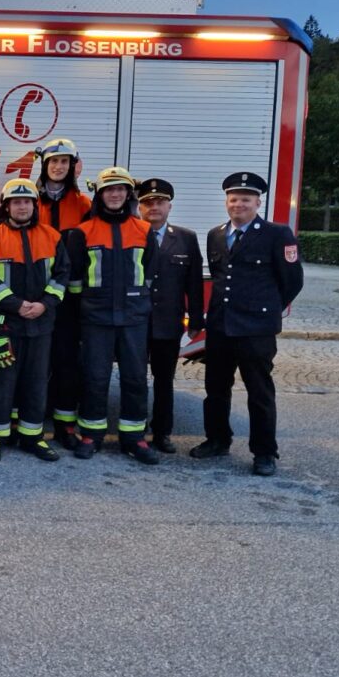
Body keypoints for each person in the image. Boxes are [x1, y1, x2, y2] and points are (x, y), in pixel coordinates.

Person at [190, 172, 304, 476]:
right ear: (227, 201)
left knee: (259, 392)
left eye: (245, 199)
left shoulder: (277, 235)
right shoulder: (216, 234)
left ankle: (265, 452)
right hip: (221, 327)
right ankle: (217, 439)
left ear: (258, 202)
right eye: (233, 198)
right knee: (215, 388)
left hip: (256, 330)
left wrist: (266, 311)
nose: (238, 204)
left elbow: (292, 281)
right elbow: (219, 276)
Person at [65, 166, 159, 464]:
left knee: (134, 378)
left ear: (128, 194)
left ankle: (134, 438)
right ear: (100, 195)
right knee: (94, 377)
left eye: (120, 189)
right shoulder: (83, 232)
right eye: (109, 190)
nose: (115, 194)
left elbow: (150, 275)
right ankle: (91, 435)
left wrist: (137, 303)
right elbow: (74, 279)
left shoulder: (144, 231)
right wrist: (85, 310)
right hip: (96, 318)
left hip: (133, 317)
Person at [0, 178, 70, 463]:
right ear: (6, 206)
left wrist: (45, 304)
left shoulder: (51, 236)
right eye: (16, 202)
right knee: (3, 380)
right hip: (5, 323)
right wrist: (17, 305)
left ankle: (33, 437)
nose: (22, 206)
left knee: (36, 382)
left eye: (27, 201)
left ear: (34, 205)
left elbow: (62, 274)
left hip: (41, 324)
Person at [136, 178, 204, 454]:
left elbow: (194, 283)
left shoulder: (186, 238)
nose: (154, 207)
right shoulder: (130, 234)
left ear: (169, 206)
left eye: (159, 202)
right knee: (135, 379)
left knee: (164, 381)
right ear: (139, 207)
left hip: (168, 323)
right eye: (147, 202)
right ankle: (135, 429)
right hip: (136, 322)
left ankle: (162, 432)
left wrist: (197, 320)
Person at [33, 138, 92, 449]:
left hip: (70, 300)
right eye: (53, 162)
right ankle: (30, 421)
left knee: (68, 361)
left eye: (64, 162)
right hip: (37, 298)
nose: (58, 167)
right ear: (44, 166)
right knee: (35, 362)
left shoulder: (82, 205)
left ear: (72, 167)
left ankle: (65, 426)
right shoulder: (30, 202)